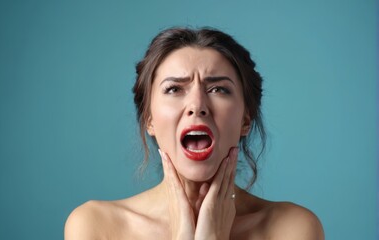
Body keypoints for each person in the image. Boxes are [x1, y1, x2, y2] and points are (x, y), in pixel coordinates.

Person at [64, 27, 325, 240]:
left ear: (246, 119)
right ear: (149, 119)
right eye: (174, 89)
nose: (197, 105)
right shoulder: (95, 227)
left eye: (218, 89)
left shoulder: (293, 229)